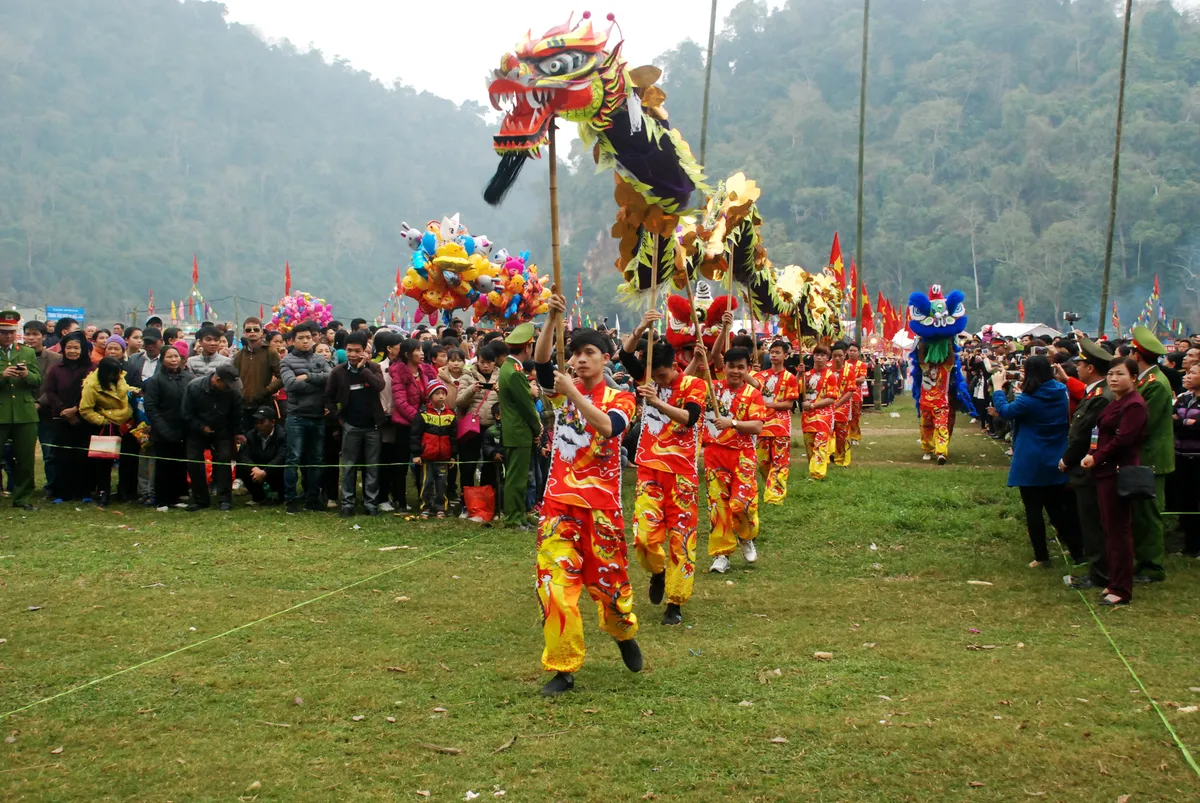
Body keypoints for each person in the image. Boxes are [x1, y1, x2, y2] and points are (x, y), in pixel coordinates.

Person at [531, 295, 640, 697]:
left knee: (610, 589)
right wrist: (551, 319)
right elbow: (543, 362)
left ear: (606, 359)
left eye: (589, 352)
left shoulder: (622, 398)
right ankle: (563, 667)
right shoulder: (562, 388)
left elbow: (609, 429)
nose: (579, 360)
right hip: (559, 504)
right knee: (555, 587)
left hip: (602, 508)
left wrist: (573, 394)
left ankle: (623, 633)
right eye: (574, 353)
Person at [624, 333, 706, 626]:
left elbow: (690, 418)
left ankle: (675, 602)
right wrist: (640, 329)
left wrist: (657, 402)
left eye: (662, 375)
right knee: (643, 537)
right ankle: (658, 571)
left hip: (682, 473)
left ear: (674, 366)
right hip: (649, 469)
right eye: (653, 376)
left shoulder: (694, 384)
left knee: (681, 540)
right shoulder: (647, 381)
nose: (658, 380)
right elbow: (624, 356)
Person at [989, 356, 1084, 568]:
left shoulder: (1028, 400)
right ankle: (1078, 552)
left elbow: (1005, 412)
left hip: (1031, 459)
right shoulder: (1061, 392)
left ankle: (1042, 556)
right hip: (1056, 456)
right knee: (1059, 510)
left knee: (1033, 510)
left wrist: (997, 389)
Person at [1081, 358, 1149, 605]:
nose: (1113, 379)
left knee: (1119, 531)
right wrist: (1092, 453)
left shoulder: (1134, 406)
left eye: (1120, 374)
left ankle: (1122, 588)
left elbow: (1124, 440)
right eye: (1110, 374)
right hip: (1104, 470)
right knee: (1110, 530)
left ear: (1133, 377)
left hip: (1118, 472)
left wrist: (1096, 457)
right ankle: (1114, 581)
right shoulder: (1117, 402)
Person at [702, 346, 767, 574]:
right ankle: (721, 554)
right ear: (724, 368)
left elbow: (758, 426)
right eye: (731, 366)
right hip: (715, 455)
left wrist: (733, 423)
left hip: (742, 457)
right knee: (718, 507)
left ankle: (747, 537)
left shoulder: (753, 394)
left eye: (741, 367)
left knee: (741, 504)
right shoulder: (712, 390)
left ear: (747, 369)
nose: (736, 371)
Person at [1059, 339, 1115, 590]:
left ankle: (1100, 574)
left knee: (1094, 523)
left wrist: (1067, 459)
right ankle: (1098, 569)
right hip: (1084, 465)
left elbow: (1085, 434)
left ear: (1090, 368)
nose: (1077, 368)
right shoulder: (1094, 391)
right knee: (1089, 521)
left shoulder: (1102, 397)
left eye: (1080, 364)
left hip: (1090, 467)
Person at [1127, 326, 1173, 584]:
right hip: (1144, 456)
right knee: (1140, 513)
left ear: (1136, 355)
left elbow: (1146, 423)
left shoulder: (1155, 385)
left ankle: (1153, 566)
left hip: (1152, 457)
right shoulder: (1147, 380)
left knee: (1150, 514)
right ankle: (1142, 560)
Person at [327, 330, 386, 516]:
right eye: (349, 350)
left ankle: (371, 503)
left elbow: (379, 385)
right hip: (350, 426)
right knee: (349, 466)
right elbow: (328, 397)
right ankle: (347, 503)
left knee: (372, 467)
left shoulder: (373, 368)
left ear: (365, 351)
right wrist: (339, 418)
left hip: (373, 426)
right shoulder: (338, 372)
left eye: (357, 350)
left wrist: (362, 369)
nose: (353, 354)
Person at [280, 322, 332, 513]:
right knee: (293, 459)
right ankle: (290, 499)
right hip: (297, 417)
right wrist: (317, 380)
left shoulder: (319, 358)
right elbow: (290, 385)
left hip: (318, 416)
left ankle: (312, 498)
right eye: (301, 338)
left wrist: (308, 377)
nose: (305, 341)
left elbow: (330, 377)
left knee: (316, 460)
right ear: (292, 340)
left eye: (308, 338)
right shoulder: (287, 361)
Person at [181, 362, 242, 511]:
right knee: (194, 462)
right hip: (196, 430)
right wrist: (201, 427)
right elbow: (186, 413)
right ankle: (200, 499)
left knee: (224, 460)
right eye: (227, 384)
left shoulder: (233, 391)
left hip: (222, 430)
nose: (229, 387)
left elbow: (237, 414)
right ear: (217, 379)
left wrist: (236, 432)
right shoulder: (194, 387)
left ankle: (224, 499)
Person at [498, 323, 540, 528]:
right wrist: (537, 427)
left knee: (519, 477)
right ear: (527, 347)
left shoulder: (510, 368)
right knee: (516, 478)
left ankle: (519, 515)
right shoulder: (515, 372)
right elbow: (526, 406)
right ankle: (513, 518)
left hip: (515, 431)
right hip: (518, 430)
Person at [42, 332, 93, 501]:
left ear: (82, 349)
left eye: (76, 348)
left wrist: (76, 410)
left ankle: (84, 492)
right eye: (69, 347)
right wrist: (64, 410)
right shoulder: (56, 369)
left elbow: (92, 393)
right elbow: (50, 391)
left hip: (83, 417)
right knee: (62, 456)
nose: (72, 351)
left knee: (82, 455)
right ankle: (62, 492)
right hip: (60, 418)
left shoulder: (90, 368)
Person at [0, 310, 43, 510]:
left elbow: (37, 380)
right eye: (3, 332)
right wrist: (2, 375)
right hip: (1, 412)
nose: (8, 336)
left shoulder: (26, 352)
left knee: (25, 459)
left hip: (24, 413)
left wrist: (26, 375)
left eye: (11, 331)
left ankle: (23, 498)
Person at [143, 345, 193, 509]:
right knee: (164, 465)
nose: (173, 360)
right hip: (163, 429)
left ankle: (176, 496)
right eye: (169, 357)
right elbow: (151, 407)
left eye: (176, 356)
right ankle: (162, 499)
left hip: (184, 428)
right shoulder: (155, 381)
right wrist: (163, 429)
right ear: (163, 360)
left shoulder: (188, 377)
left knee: (180, 464)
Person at [79, 356, 132, 506]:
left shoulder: (120, 378)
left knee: (127, 459)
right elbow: (85, 410)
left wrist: (133, 392)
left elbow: (124, 390)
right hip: (106, 426)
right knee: (104, 462)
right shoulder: (92, 385)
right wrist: (103, 421)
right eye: (113, 374)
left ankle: (124, 490)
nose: (116, 376)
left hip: (125, 422)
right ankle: (104, 492)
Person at [454, 342, 501, 511]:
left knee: (489, 465)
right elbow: (458, 402)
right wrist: (471, 390)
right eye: (482, 362)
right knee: (468, 464)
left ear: (495, 362)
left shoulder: (501, 376)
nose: (486, 365)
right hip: (472, 428)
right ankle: (466, 501)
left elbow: (509, 403)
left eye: (489, 362)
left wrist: (500, 390)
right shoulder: (468, 376)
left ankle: (485, 501)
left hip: (492, 428)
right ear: (477, 361)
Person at [753, 339, 800, 503]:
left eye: (777, 352)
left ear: (786, 355)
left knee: (779, 461)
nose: (773, 355)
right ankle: (770, 485)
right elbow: (751, 385)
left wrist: (767, 404)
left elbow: (788, 404)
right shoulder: (761, 376)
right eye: (771, 352)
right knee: (762, 462)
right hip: (762, 425)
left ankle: (775, 495)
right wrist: (751, 373)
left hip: (780, 426)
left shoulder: (790, 378)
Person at [389, 338, 428, 512]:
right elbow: (401, 402)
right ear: (407, 354)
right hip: (404, 425)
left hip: (422, 425)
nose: (422, 353)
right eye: (418, 350)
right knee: (400, 465)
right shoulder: (398, 373)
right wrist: (419, 419)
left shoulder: (424, 372)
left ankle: (424, 498)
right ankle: (400, 500)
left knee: (422, 463)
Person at [23, 319, 60, 498]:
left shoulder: (55, 358)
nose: (31, 338)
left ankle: (51, 486)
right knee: (22, 453)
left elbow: (53, 385)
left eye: (35, 334)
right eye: (28, 334)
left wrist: (39, 403)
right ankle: (23, 486)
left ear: (44, 337)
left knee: (49, 452)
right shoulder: (16, 356)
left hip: (46, 412)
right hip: (22, 411)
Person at [410, 380, 457, 518]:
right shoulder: (423, 414)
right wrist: (416, 454)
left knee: (442, 483)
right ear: (430, 396)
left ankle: (441, 507)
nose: (441, 396)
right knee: (427, 482)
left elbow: (453, 437)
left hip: (443, 457)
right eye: (437, 393)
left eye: (443, 393)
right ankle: (426, 506)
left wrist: (453, 455)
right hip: (427, 456)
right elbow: (415, 435)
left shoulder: (450, 414)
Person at [232, 317, 282, 431]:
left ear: (261, 332)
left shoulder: (270, 352)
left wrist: (266, 391)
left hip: (263, 404)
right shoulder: (239, 355)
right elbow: (233, 379)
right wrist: (239, 394)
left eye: (256, 329)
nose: (252, 332)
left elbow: (282, 377)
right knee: (246, 441)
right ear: (244, 333)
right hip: (243, 406)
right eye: (249, 330)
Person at [1172, 362, 1200, 556]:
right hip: (1181, 456)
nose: (1187, 376)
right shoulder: (1183, 398)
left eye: (1193, 373)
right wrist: (1186, 423)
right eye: (1187, 373)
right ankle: (1190, 545)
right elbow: (1172, 420)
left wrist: (1185, 423)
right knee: (1187, 501)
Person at [801, 346, 840, 480]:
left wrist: (813, 405)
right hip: (808, 417)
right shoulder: (806, 375)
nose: (819, 357)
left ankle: (817, 474)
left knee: (820, 444)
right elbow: (794, 389)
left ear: (827, 358)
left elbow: (832, 398)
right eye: (817, 354)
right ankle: (813, 470)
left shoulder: (830, 376)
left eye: (823, 355)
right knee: (809, 445)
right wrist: (798, 374)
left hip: (824, 416)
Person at [236, 405, 287, 504]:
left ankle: (283, 495)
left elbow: (281, 456)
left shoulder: (282, 435)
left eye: (262, 421)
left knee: (286, 467)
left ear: (273, 422)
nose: (258, 425)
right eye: (257, 422)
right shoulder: (251, 435)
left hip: (276, 471)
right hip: (258, 470)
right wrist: (254, 468)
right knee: (243, 467)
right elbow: (243, 455)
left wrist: (265, 471)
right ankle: (258, 497)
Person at [830, 342, 858, 467]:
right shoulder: (827, 369)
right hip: (827, 406)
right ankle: (827, 456)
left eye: (840, 356)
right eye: (834, 355)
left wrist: (837, 404)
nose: (837, 358)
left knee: (842, 433)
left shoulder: (849, 370)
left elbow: (851, 391)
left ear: (844, 355)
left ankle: (842, 459)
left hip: (843, 406)